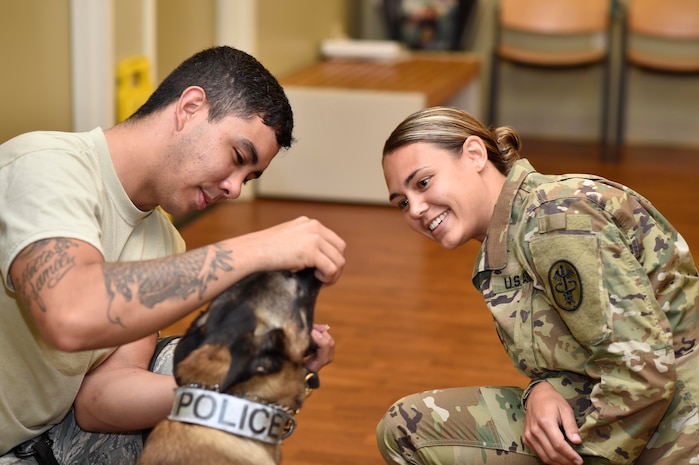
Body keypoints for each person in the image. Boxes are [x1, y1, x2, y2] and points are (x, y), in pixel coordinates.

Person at [0, 45, 345, 464]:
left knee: (179, 365)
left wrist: (251, 375)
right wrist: (258, 247)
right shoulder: (46, 167)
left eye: (248, 178)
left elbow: (98, 403)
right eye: (237, 157)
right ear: (190, 107)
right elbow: (70, 312)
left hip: (43, 440)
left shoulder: (163, 241)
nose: (235, 188)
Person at [376, 106, 699, 465]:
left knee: (407, 428)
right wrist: (539, 390)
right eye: (402, 202)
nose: (416, 208)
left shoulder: (554, 222)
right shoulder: (510, 234)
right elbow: (578, 348)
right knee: (407, 428)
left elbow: (644, 371)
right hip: (623, 409)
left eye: (423, 183)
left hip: (674, 430)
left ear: (474, 155)